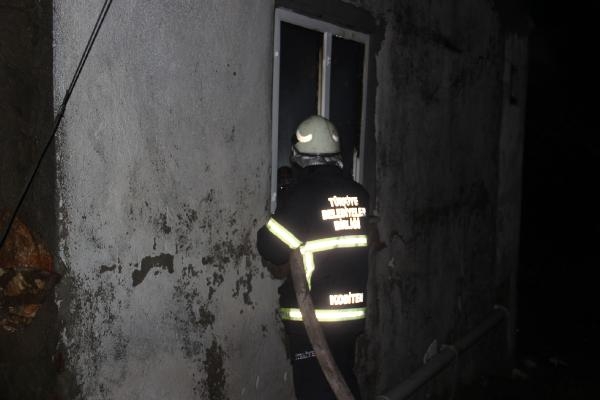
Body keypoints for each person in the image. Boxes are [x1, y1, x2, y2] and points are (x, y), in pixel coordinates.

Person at [257, 115, 369, 399]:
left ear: (297, 156)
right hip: (349, 317)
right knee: (341, 383)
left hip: (313, 324)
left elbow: (271, 247)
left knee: (316, 392)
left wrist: (285, 205)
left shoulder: (303, 197)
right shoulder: (359, 195)